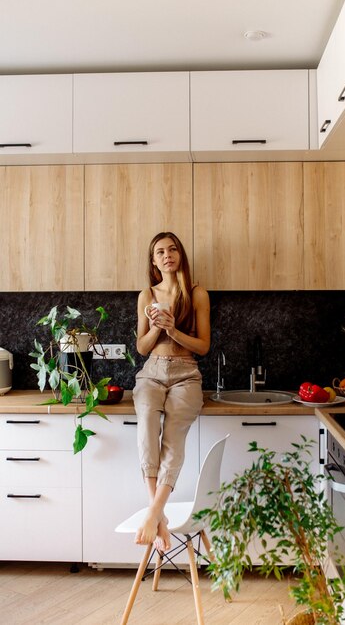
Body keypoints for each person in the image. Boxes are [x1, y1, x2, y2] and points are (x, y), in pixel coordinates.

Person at [133, 232, 210, 552]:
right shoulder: (146, 295)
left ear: (180, 255)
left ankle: (153, 514)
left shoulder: (197, 294)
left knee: (174, 434)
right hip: (151, 372)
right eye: (160, 252)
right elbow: (141, 347)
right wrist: (155, 327)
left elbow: (203, 347)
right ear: (153, 261)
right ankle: (158, 515)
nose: (167, 255)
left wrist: (173, 329)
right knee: (147, 425)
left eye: (172, 249)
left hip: (186, 374)